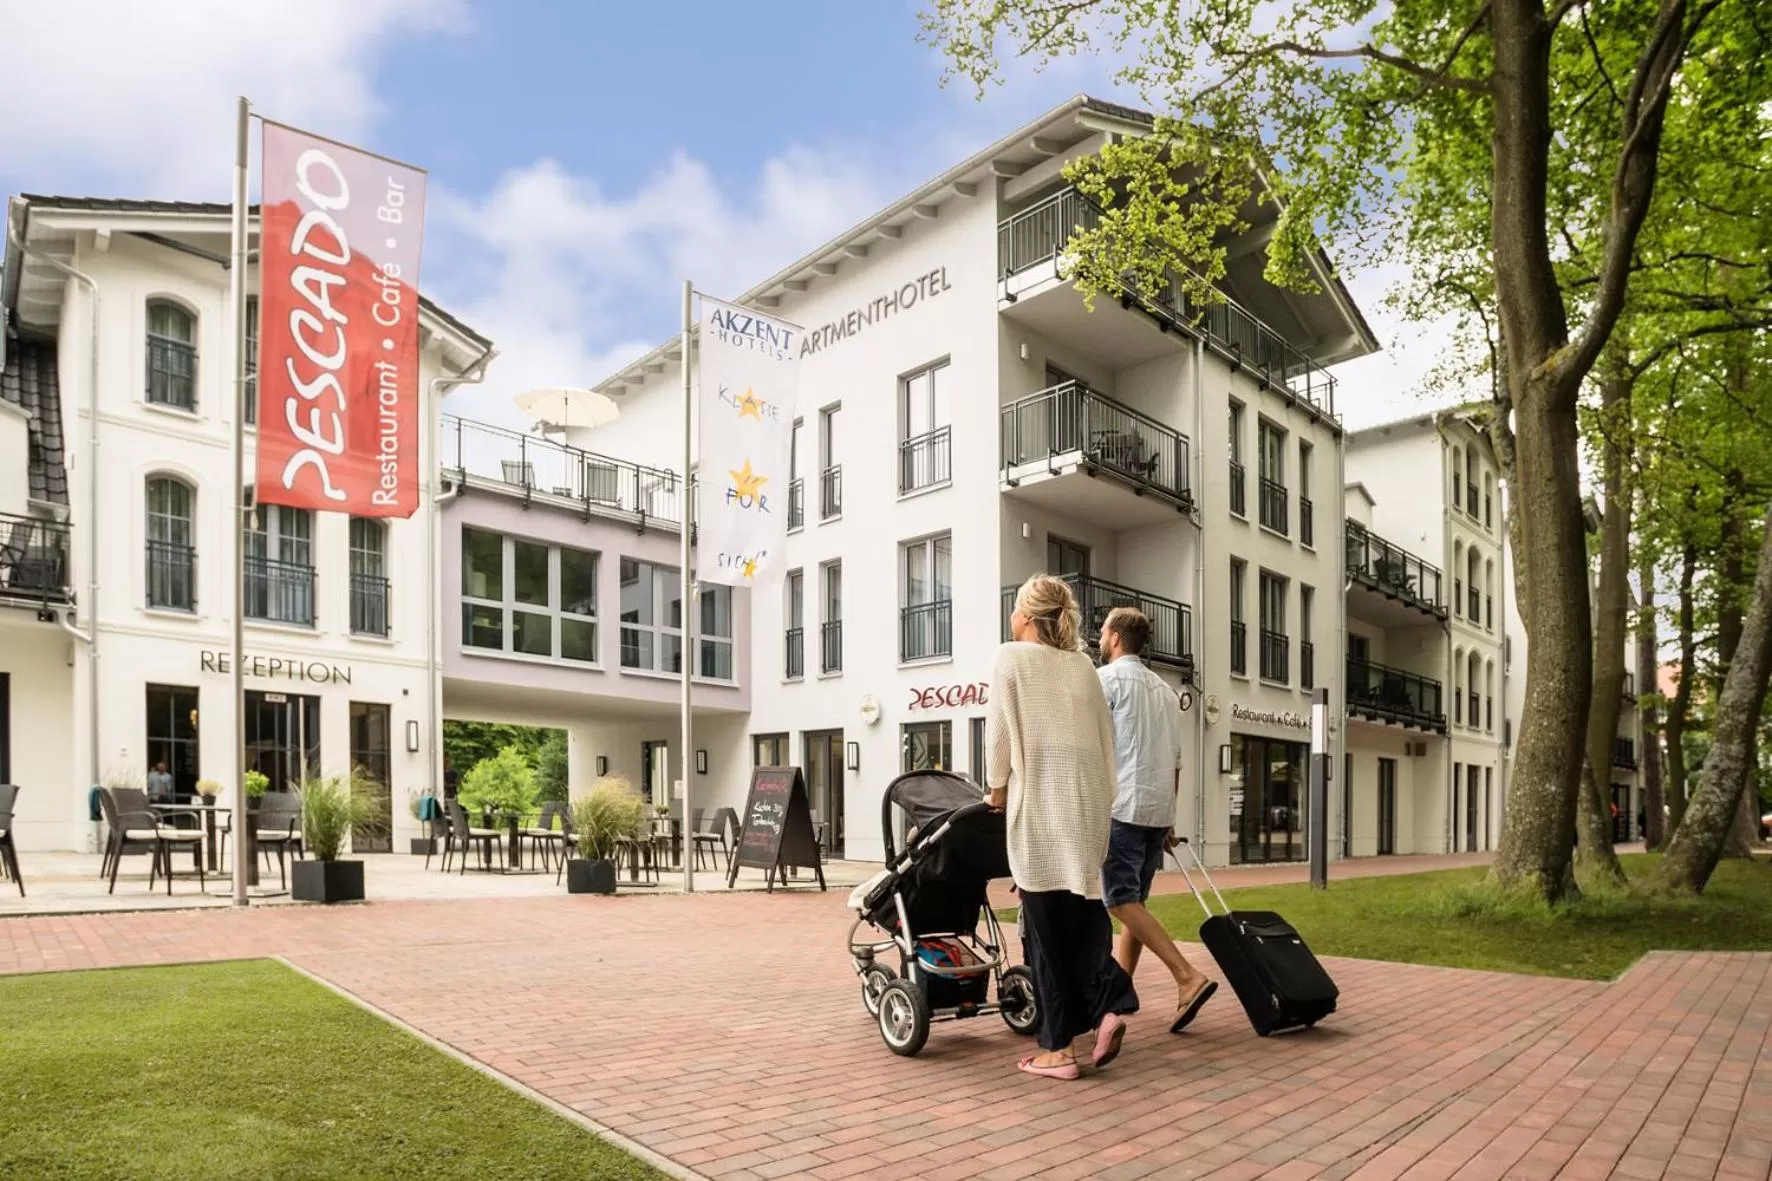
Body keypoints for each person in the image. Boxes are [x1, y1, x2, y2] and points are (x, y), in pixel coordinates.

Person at [986, 574, 1139, 1081]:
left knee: (1046, 932)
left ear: (1027, 617)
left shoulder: (1011, 657)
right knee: (1084, 919)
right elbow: (1105, 741)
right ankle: (1112, 1003)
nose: (1011, 618)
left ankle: (1059, 1052)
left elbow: (1001, 735)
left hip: (1043, 810)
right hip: (1089, 804)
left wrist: (996, 789)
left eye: (1014, 609)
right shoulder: (1084, 666)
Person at [1096, 607, 1218, 1033]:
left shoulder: (1105, 681)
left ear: (1114, 638)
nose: (1100, 637)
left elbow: (1096, 747)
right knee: (1135, 905)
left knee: (1119, 900)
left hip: (1122, 807)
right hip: (1156, 810)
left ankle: (1187, 977)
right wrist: (1168, 818)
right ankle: (1115, 1002)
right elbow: (1176, 763)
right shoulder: (1166, 692)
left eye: (1102, 631)